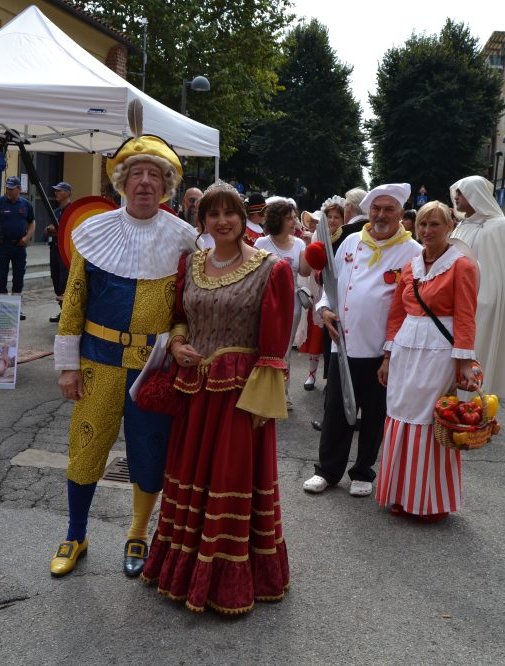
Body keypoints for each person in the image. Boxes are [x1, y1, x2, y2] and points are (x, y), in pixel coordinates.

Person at [140, 182, 294, 615]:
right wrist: (176, 344)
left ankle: (228, 583)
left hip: (239, 395)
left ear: (244, 218)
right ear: (202, 221)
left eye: (230, 212)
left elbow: (274, 348)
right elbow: (180, 319)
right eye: (213, 214)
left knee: (230, 480)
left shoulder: (272, 268)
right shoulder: (191, 263)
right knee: (189, 478)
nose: (222, 220)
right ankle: (181, 571)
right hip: (194, 392)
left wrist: (264, 408)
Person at [50, 135, 197, 578]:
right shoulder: (92, 233)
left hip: (154, 367)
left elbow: (186, 310)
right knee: (87, 448)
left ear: (167, 184)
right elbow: (73, 301)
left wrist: (177, 340)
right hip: (97, 361)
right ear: (122, 181)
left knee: (151, 451)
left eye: (155, 175)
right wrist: (67, 365)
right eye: (137, 174)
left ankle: (138, 531)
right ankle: (76, 533)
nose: (146, 183)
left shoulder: (185, 240)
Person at [303, 183, 421, 497]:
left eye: (389, 209)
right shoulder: (351, 241)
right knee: (336, 411)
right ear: (369, 211)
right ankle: (328, 470)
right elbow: (331, 283)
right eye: (377, 209)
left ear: (400, 213)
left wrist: (394, 350)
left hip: (384, 350)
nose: (381, 215)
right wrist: (325, 308)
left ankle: (363, 471)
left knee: (373, 413)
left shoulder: (413, 252)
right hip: (342, 343)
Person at [375, 201, 479, 522]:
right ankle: (401, 493)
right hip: (406, 347)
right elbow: (396, 313)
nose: (427, 231)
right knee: (400, 414)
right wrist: (387, 356)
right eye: (422, 224)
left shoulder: (462, 265)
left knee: (429, 419)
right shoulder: (410, 265)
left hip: (439, 351)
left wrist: (463, 362)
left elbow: (466, 315)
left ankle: (428, 501)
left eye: (435, 225)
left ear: (450, 227)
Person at [450, 175, 505, 396]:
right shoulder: (464, 224)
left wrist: (476, 307)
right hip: (452, 305)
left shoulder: (496, 227)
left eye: (461, 193)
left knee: (475, 359)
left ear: (475, 195)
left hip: (475, 307)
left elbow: (493, 279)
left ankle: (471, 411)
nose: (456, 197)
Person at [255, 200, 311, 408]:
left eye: (294, 217)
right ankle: (260, 391)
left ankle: (283, 394)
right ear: (277, 219)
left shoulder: (299, 243)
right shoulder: (261, 244)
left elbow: (305, 272)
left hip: (291, 306)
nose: (293, 222)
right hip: (266, 304)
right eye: (289, 218)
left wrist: (309, 248)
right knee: (264, 347)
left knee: (285, 351)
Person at [299, 196, 345, 392]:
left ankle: (332, 377)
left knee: (332, 338)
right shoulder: (318, 236)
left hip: (338, 294)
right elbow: (308, 267)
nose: (333, 220)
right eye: (330, 216)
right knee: (316, 335)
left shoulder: (347, 238)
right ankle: (311, 373)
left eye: (337, 216)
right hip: (319, 292)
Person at [0, 176, 35, 321]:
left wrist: (27, 237)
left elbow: (32, 222)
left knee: (18, 277)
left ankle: (16, 308)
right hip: (2, 246)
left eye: (11, 188)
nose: (8, 190)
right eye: (7, 188)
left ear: (19, 189)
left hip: (19, 246)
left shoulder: (26, 204)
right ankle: (2, 308)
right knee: (1, 277)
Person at [46, 182, 72, 323]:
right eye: (55, 191)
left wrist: (59, 230)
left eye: (59, 191)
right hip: (54, 249)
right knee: (56, 280)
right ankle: (63, 311)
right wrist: (49, 230)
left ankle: (68, 315)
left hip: (66, 251)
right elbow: (47, 230)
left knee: (65, 281)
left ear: (67, 193)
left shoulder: (73, 210)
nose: (56, 193)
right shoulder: (55, 212)